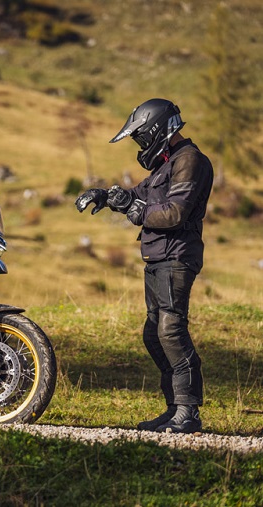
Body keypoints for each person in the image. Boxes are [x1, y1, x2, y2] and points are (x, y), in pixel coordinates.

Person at [74, 98, 214, 434]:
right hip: (158, 257)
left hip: (176, 256)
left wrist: (135, 212)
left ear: (156, 130)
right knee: (154, 334)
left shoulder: (189, 161)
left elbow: (175, 212)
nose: (140, 145)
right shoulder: (166, 165)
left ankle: (188, 412)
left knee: (170, 330)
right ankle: (173, 409)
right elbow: (135, 194)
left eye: (140, 138)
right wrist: (105, 196)